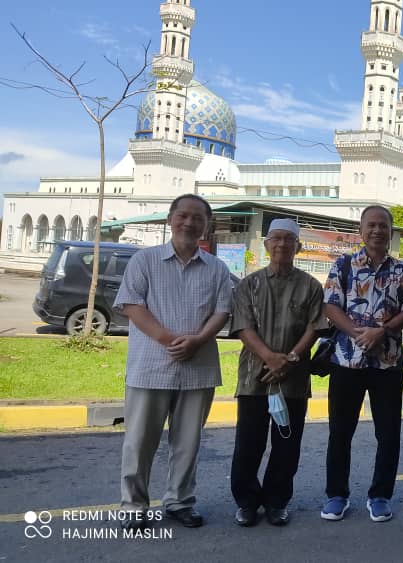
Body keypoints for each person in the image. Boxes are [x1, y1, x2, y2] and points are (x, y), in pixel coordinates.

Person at [114, 193, 233, 530]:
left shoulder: (217, 269)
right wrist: (170, 340)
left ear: (206, 226)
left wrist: (198, 340)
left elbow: (222, 311)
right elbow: (132, 305)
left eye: (198, 218)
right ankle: (134, 505)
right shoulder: (145, 260)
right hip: (150, 366)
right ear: (170, 219)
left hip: (198, 368)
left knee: (187, 444)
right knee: (139, 443)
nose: (189, 222)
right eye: (183, 215)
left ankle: (180, 501)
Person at [229, 218, 326, 527]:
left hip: (293, 380)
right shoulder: (248, 284)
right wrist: (270, 358)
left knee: (287, 446)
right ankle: (247, 502)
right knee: (249, 444)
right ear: (267, 244)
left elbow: (315, 327)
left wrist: (290, 359)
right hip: (254, 378)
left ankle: (276, 502)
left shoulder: (311, 286)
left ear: (298, 247)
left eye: (289, 239)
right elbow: (242, 326)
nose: (282, 244)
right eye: (276, 239)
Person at [321, 205, 403, 523]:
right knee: (340, 432)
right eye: (371, 225)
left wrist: (382, 332)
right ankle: (337, 495)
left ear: (390, 231)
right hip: (346, 361)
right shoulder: (344, 265)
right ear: (361, 231)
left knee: (388, 434)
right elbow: (331, 306)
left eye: (383, 225)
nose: (377, 230)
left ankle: (380, 496)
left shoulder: (402, 270)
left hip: (388, 364)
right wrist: (358, 334)